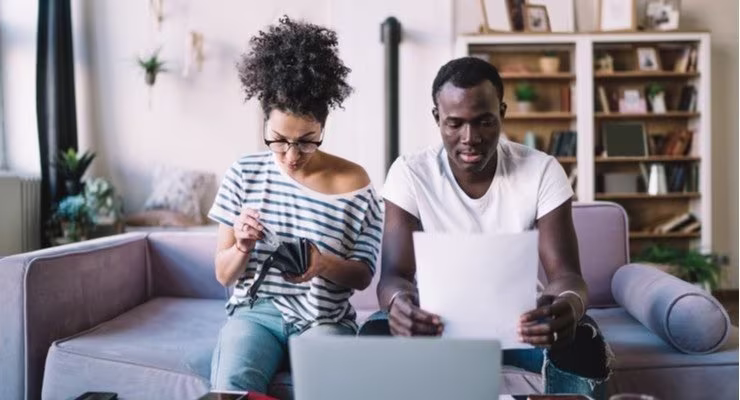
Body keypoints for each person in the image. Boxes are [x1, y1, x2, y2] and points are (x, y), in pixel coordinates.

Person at [365, 57, 611, 397]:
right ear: (437, 118)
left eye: (484, 122)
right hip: (437, 323)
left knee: (584, 341)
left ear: (502, 114)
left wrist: (568, 306)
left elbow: (568, 275)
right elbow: (394, 275)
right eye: (455, 124)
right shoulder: (410, 173)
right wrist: (398, 305)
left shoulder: (541, 170)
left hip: (522, 326)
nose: (470, 138)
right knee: (375, 334)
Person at [208, 16, 383, 393]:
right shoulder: (243, 173)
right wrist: (241, 245)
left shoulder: (356, 185)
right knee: (231, 390)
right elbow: (224, 275)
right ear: (264, 123)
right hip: (256, 316)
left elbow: (364, 275)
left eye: (306, 141)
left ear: (324, 124)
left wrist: (321, 264)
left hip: (326, 319)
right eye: (278, 139)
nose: (290, 155)